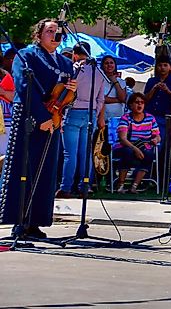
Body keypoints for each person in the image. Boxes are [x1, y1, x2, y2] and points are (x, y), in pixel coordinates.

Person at [0, 18, 75, 239]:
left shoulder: (65, 62)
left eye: (57, 31)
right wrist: (41, 116)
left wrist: (73, 91)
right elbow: (24, 87)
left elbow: (65, 96)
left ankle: (35, 221)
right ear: (39, 34)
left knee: (45, 172)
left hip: (54, 121)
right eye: (50, 31)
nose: (54, 35)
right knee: (23, 169)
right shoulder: (28, 55)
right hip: (29, 120)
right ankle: (19, 222)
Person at [56, 42, 105, 199]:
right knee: (85, 153)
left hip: (73, 110)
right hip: (90, 112)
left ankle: (66, 187)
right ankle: (85, 186)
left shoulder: (75, 69)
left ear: (74, 55)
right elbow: (101, 98)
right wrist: (96, 113)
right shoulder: (98, 71)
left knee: (70, 153)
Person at [112, 93, 161, 193]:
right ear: (130, 105)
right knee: (127, 153)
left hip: (143, 147)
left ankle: (134, 186)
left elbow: (157, 136)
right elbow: (123, 139)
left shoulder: (150, 118)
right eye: (137, 102)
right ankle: (120, 185)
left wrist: (155, 139)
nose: (140, 105)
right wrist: (135, 149)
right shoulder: (126, 118)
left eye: (142, 103)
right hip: (126, 146)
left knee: (149, 154)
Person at [143, 57, 171, 182]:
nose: (162, 68)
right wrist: (154, 89)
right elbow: (145, 100)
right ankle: (144, 176)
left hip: (165, 119)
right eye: (160, 65)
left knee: (159, 147)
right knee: (145, 146)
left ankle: (156, 177)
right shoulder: (151, 81)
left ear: (170, 67)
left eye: (165, 65)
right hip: (149, 117)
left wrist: (168, 91)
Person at [102, 56, 128, 121]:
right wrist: (118, 100)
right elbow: (101, 98)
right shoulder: (98, 80)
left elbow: (122, 98)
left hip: (118, 118)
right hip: (102, 117)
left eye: (111, 63)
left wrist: (115, 82)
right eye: (106, 63)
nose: (109, 65)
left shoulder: (121, 81)